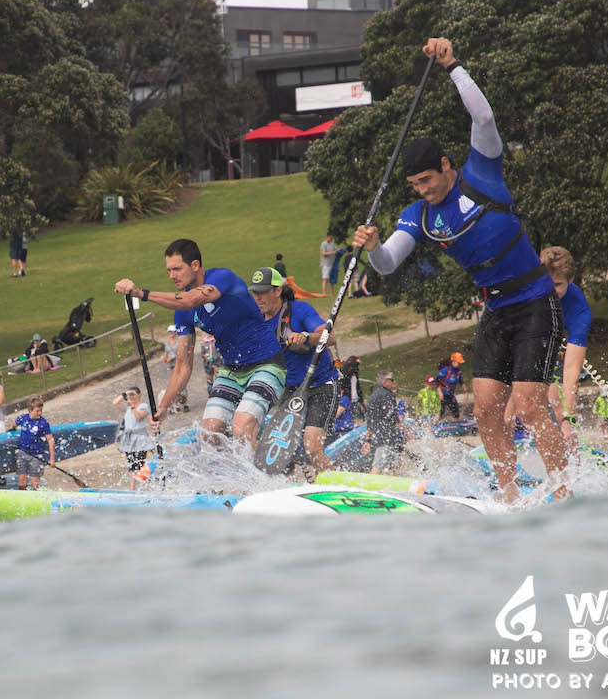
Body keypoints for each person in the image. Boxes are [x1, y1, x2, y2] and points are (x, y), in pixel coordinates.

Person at [353, 37, 571, 502]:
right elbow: (388, 260)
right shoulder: (420, 215)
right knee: (488, 408)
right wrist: (372, 247)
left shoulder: (482, 173)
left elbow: (485, 118)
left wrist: (453, 66)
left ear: (446, 166)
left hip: (534, 303)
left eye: (427, 180)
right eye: (414, 184)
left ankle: (564, 488)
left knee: (530, 407)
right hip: (497, 313)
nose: (423, 190)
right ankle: (509, 495)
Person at [114, 239, 285, 450]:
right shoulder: (182, 313)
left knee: (241, 428)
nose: (172, 275)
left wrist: (142, 294)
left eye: (177, 269)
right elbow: (183, 366)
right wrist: (164, 407)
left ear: (195, 265)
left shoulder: (223, 278)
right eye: (169, 270)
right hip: (231, 371)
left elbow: (192, 299)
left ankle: (263, 480)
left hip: (266, 365)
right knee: (209, 433)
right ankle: (225, 481)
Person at [247, 266, 338, 474]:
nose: (257, 298)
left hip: (322, 384)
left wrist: (305, 336)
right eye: (255, 293)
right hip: (290, 390)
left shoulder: (300, 309)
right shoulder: (256, 322)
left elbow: (330, 337)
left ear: (277, 291)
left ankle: (338, 485)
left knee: (312, 447)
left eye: (262, 292)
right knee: (278, 449)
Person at [541, 246, 592, 445]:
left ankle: (570, 440)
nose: (550, 291)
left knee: (559, 402)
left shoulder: (580, 310)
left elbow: (571, 370)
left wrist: (567, 419)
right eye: (546, 283)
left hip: (555, 341)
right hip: (527, 333)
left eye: (558, 285)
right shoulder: (531, 290)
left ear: (570, 280)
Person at [361, 372, 406, 475]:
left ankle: (392, 485)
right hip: (386, 438)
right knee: (379, 466)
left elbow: (370, 420)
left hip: (378, 437)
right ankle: (370, 487)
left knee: (392, 466)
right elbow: (393, 418)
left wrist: (367, 440)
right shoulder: (387, 395)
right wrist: (406, 432)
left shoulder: (373, 396)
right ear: (386, 382)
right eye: (392, 380)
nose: (394, 383)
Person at [7, 396, 55, 489]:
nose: (40, 413)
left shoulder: (43, 423)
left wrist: (52, 459)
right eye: (37, 411)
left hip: (36, 455)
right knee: (22, 479)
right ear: (30, 410)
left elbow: (50, 441)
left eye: (41, 410)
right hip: (22, 452)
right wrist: (11, 430)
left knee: (35, 482)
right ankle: (22, 498)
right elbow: (12, 425)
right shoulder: (22, 418)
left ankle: (39, 500)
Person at [113, 387, 155, 489]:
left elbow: (139, 417)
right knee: (131, 463)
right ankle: (132, 487)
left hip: (140, 438)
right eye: (130, 395)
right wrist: (126, 393)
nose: (132, 396)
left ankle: (144, 484)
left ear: (139, 395)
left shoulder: (143, 406)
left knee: (140, 462)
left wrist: (133, 407)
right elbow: (115, 402)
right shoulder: (127, 408)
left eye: (133, 394)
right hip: (129, 439)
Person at [161, 325, 189, 413]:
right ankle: (175, 404)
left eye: (172, 332)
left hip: (179, 365)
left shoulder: (179, 342)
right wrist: (165, 357)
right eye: (169, 332)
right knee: (174, 384)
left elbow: (182, 353)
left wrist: (172, 357)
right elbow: (166, 353)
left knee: (182, 384)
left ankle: (184, 403)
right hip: (171, 366)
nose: (170, 334)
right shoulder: (167, 343)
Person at [437, 353, 465, 420]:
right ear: (454, 361)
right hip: (442, 394)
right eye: (458, 362)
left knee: (456, 411)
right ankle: (433, 425)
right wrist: (439, 392)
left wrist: (466, 391)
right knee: (440, 412)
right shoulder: (445, 370)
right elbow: (436, 381)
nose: (459, 364)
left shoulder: (458, 371)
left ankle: (456, 424)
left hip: (450, 394)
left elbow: (461, 382)